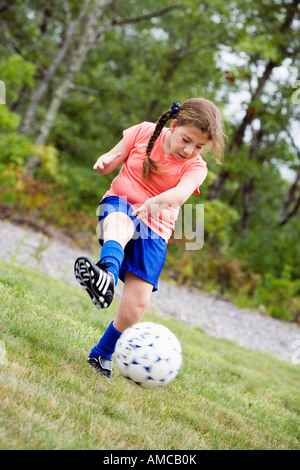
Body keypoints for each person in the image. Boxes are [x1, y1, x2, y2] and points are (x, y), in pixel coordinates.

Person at [74, 98, 225, 380]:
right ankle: (106, 273)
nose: (190, 150)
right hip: (120, 204)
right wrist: (106, 161)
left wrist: (154, 204)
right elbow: (113, 157)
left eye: (199, 146)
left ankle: (101, 354)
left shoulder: (197, 168)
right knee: (120, 225)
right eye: (186, 140)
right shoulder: (144, 132)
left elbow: (180, 195)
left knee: (136, 305)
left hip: (155, 228)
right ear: (175, 125)